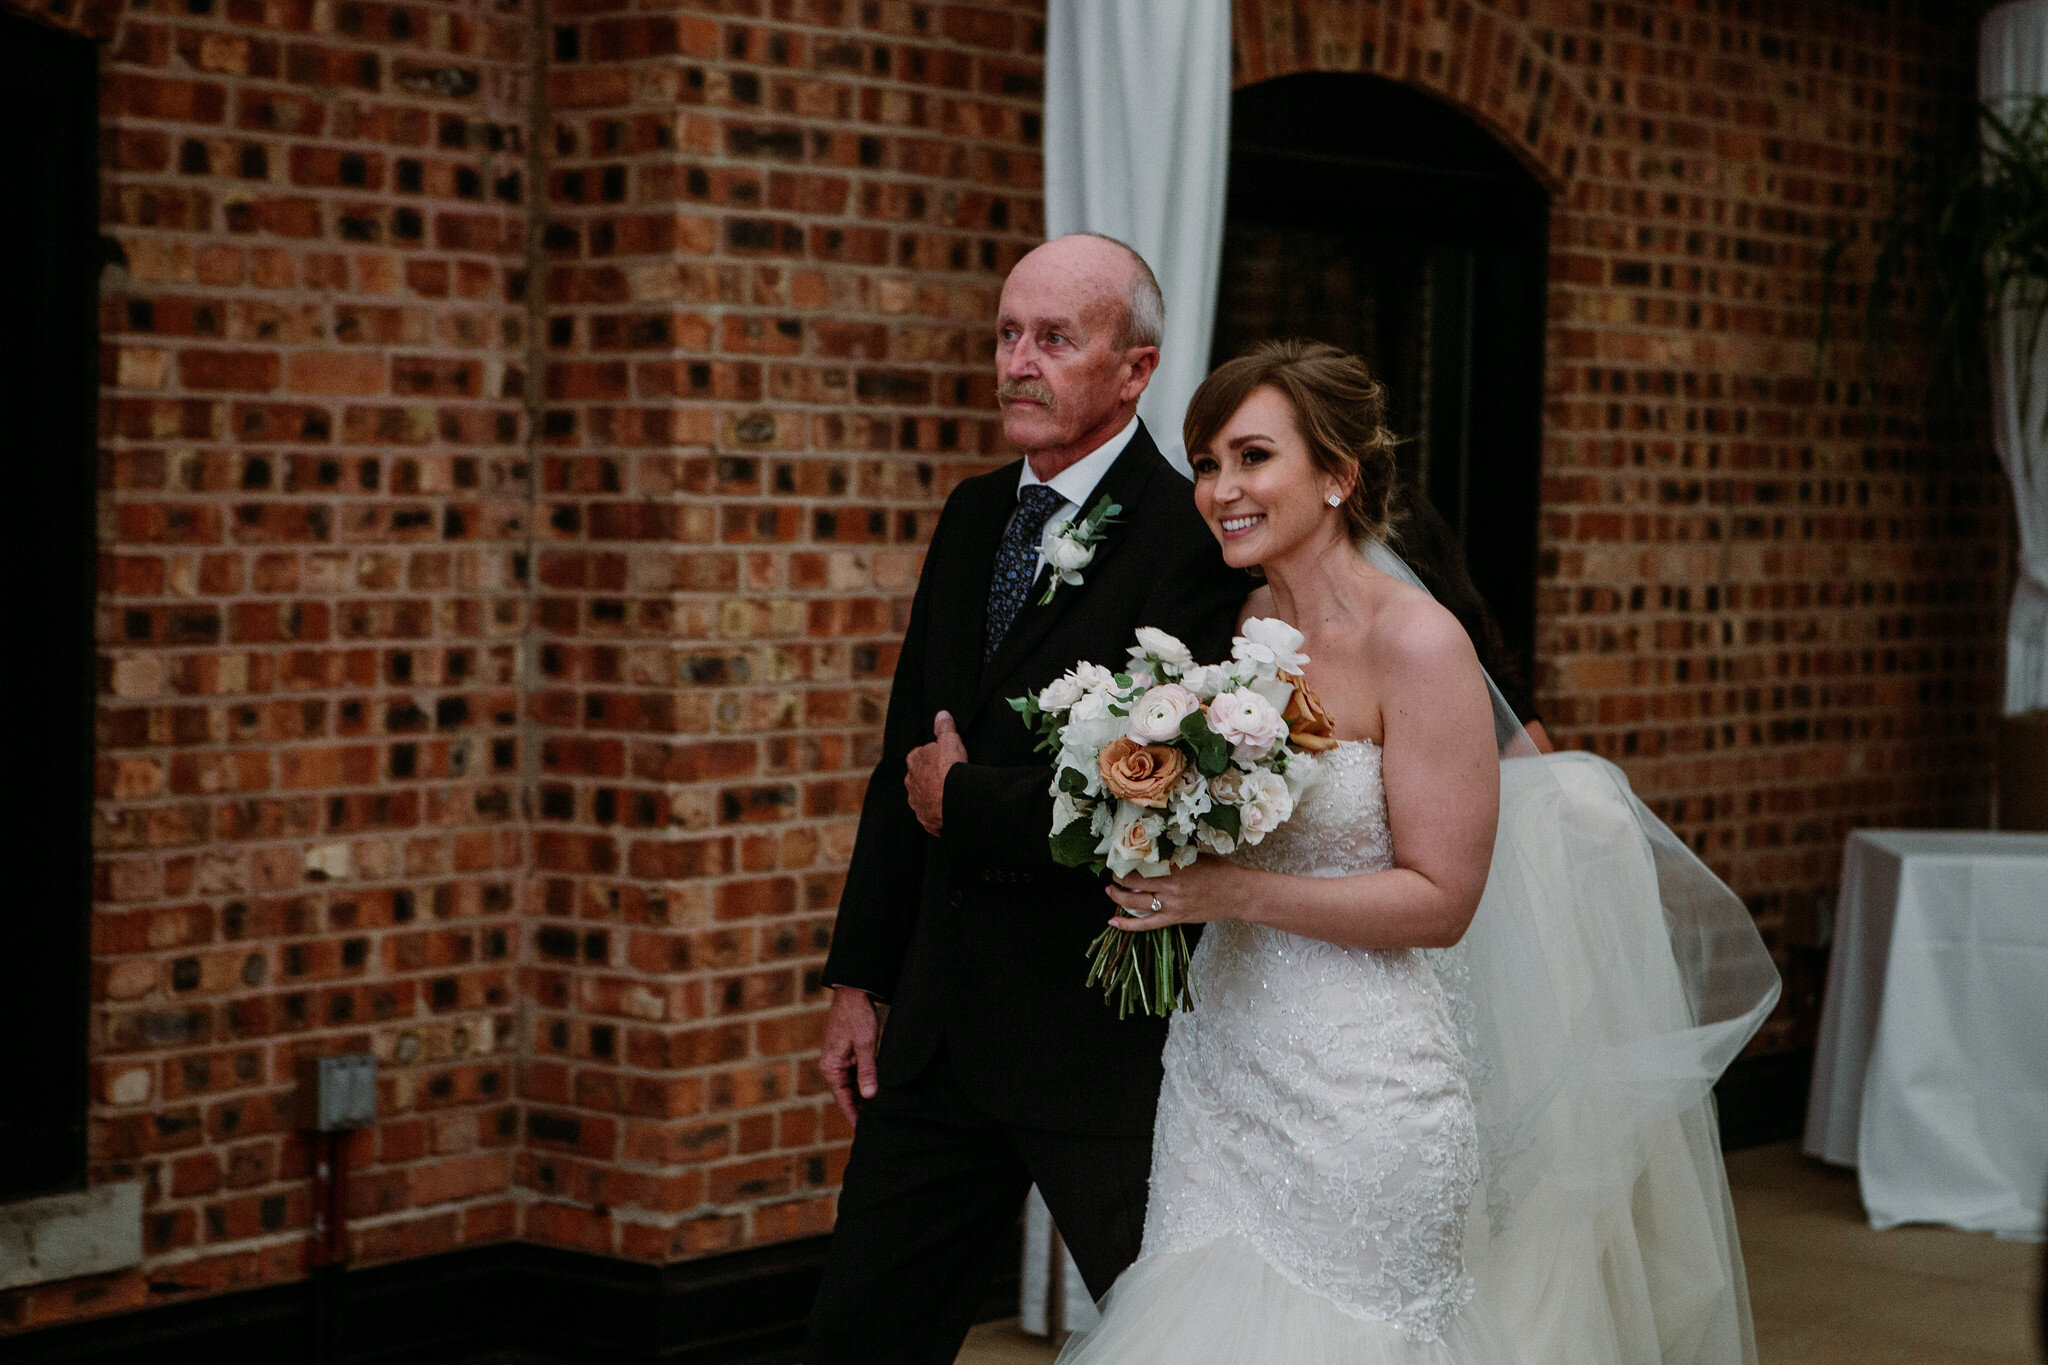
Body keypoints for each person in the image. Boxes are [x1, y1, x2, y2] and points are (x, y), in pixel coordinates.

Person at [1055, 341, 1777, 1365]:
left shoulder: (1420, 644)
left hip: (1362, 1082)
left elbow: (1439, 899)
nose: (1219, 490)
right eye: (1206, 462)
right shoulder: (1252, 623)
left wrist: (1229, 889)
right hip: (1221, 1070)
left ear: (1337, 476)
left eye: (1251, 457)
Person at [802, 234, 1254, 1364]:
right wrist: (860, 976)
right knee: (860, 1336)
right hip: (942, 1026)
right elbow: (901, 751)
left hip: (1100, 1035)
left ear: (1133, 369)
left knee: (1172, 1338)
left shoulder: (1190, 541)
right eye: (1008, 334)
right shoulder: (969, 517)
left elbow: (1167, 790)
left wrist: (969, 803)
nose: (1018, 362)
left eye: (1054, 339)